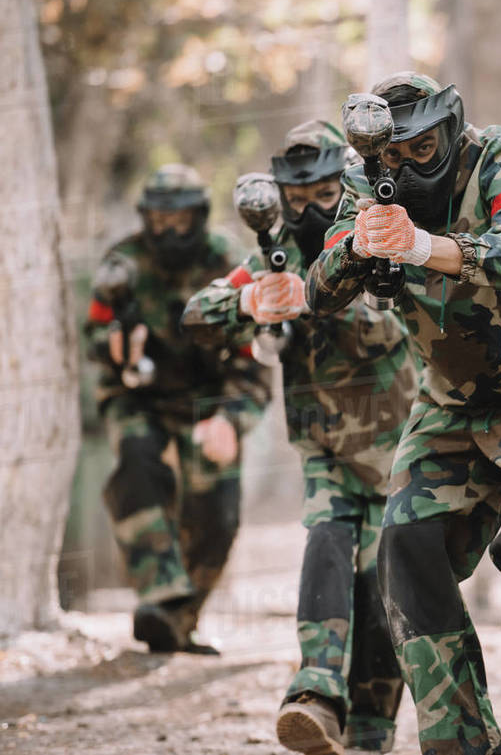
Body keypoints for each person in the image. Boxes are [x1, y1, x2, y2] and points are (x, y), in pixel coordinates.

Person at [306, 71, 501, 755]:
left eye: (423, 148)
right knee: (406, 542)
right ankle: (461, 743)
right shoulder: (364, 187)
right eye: (395, 155)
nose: (411, 164)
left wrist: (419, 247)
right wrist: (359, 246)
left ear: (450, 130)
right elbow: (318, 289)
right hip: (453, 398)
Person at [182, 121, 420, 753]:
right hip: (325, 449)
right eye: (297, 196)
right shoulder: (274, 251)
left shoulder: (378, 230)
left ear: (344, 181)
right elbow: (197, 314)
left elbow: (394, 324)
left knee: (383, 589)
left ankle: (371, 727)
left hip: (400, 450)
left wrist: (313, 298)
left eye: (322, 192)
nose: (309, 208)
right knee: (326, 546)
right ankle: (314, 693)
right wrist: (254, 303)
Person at [84, 163, 269, 654]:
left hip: (210, 398)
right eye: (158, 220)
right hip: (136, 395)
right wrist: (114, 347)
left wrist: (231, 419)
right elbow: (95, 331)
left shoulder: (229, 263)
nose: (167, 231)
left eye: (179, 220)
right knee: (139, 469)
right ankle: (160, 594)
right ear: (145, 218)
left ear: (200, 217)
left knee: (219, 511)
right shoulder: (121, 263)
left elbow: (256, 358)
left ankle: (177, 620)